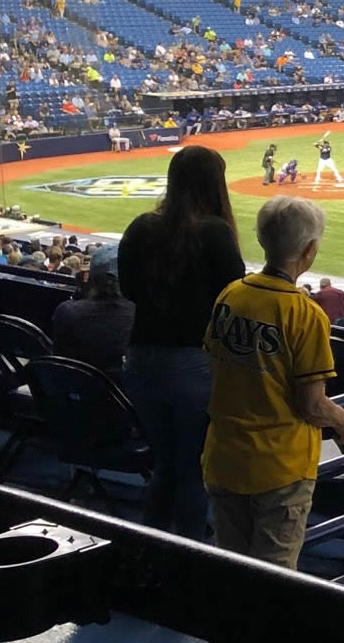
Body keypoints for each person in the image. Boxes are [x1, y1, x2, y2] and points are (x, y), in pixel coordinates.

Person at [202, 196, 344, 568]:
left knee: (229, 568)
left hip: (224, 455)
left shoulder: (231, 294)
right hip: (278, 467)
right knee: (275, 581)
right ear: (309, 251)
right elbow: (312, 405)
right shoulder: (305, 314)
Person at [118, 145, 246, 539]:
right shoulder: (214, 231)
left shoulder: (141, 225)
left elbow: (129, 290)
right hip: (193, 362)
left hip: (140, 360)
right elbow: (235, 297)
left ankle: (148, 547)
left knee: (166, 463)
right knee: (191, 466)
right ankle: (187, 555)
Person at [50, 268, 136, 379]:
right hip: (123, 391)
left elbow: (58, 358)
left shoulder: (67, 310)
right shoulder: (141, 314)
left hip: (71, 386)